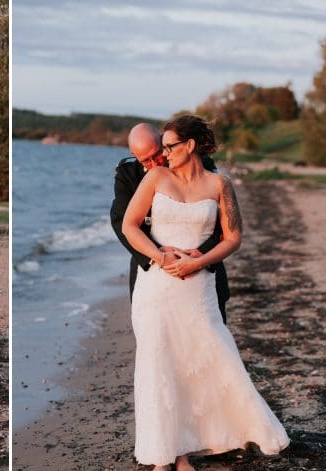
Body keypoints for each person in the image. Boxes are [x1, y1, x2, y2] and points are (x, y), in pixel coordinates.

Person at [121, 115, 289, 470]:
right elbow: (128, 225)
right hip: (156, 288)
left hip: (198, 290)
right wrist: (161, 255)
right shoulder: (155, 177)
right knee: (158, 365)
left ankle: (200, 442)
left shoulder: (220, 185)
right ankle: (167, 457)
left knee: (206, 360)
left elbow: (233, 237)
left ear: (190, 145)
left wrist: (199, 262)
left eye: (169, 147)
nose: (163, 154)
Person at [111, 123, 229, 321]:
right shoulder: (128, 174)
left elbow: (218, 221)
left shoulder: (200, 164)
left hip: (203, 265)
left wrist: (200, 255)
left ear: (163, 141)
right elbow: (121, 222)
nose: (154, 163)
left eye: (157, 154)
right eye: (145, 160)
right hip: (152, 267)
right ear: (134, 154)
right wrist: (159, 255)